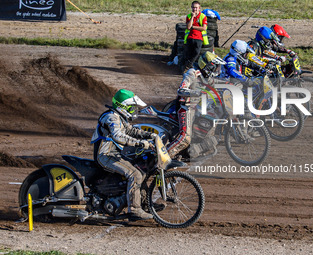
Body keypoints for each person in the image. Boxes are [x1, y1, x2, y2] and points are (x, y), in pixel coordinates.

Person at [91, 89, 157, 221]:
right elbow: (118, 136)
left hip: (115, 154)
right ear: (123, 107)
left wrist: (149, 135)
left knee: (141, 169)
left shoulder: (119, 117)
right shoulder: (111, 117)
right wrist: (139, 143)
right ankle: (134, 209)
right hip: (105, 156)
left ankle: (143, 203)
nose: (134, 111)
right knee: (134, 174)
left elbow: (131, 130)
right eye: (132, 108)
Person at [167, 51, 226, 159]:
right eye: (215, 67)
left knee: (208, 134)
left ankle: (187, 153)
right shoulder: (192, 73)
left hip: (197, 108)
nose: (217, 70)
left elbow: (218, 84)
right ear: (207, 66)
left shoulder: (207, 77)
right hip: (185, 106)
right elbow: (181, 90)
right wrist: (195, 93)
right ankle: (162, 158)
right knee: (185, 138)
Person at [182, 1, 209, 72]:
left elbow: (203, 28)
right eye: (193, 7)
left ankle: (189, 65)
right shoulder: (188, 16)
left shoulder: (203, 16)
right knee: (188, 53)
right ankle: (187, 67)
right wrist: (192, 17)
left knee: (196, 52)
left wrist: (193, 27)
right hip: (190, 37)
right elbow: (188, 27)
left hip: (199, 38)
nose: (195, 9)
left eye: (196, 8)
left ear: (199, 8)